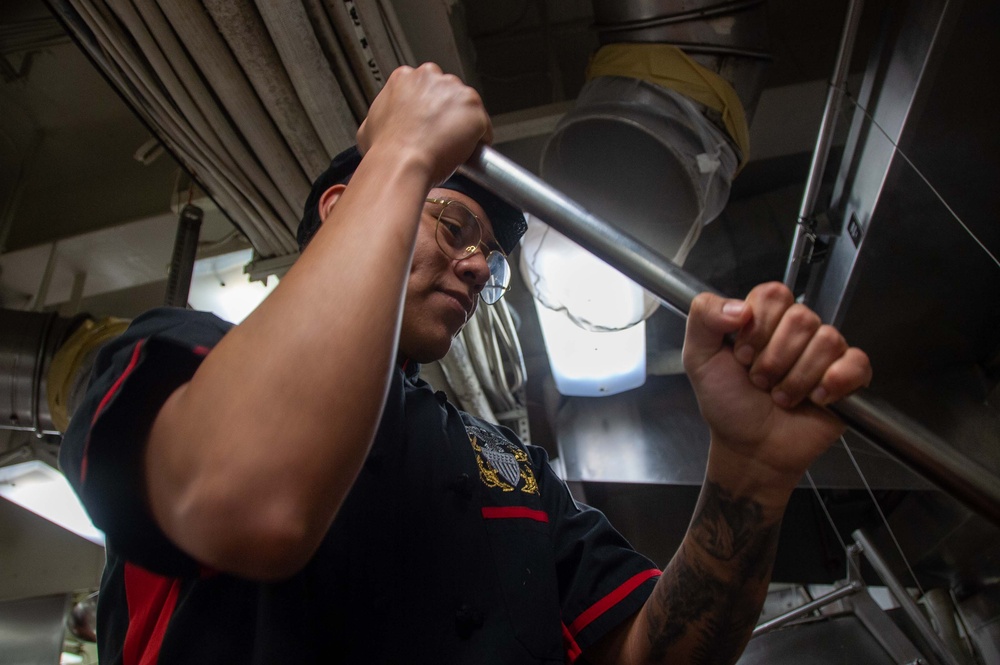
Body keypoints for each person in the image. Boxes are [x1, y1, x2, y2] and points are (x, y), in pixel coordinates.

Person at [60, 63, 871, 664]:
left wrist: (749, 469)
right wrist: (403, 149)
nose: (481, 266)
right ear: (347, 206)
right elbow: (253, 500)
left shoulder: (514, 469)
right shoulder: (179, 357)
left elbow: (657, 655)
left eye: (491, 255)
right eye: (454, 226)